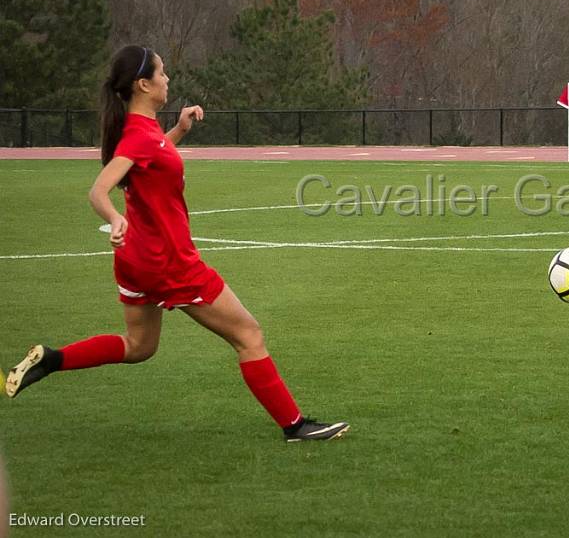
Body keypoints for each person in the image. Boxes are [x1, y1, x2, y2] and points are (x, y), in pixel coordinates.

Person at [4, 45, 348, 442]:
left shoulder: (146, 131)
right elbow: (99, 190)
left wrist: (179, 130)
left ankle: (53, 358)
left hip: (136, 260)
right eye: (162, 73)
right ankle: (295, 426)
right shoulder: (137, 136)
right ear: (143, 84)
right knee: (249, 336)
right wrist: (115, 217)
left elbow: (154, 156)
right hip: (168, 261)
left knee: (139, 346)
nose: (168, 79)